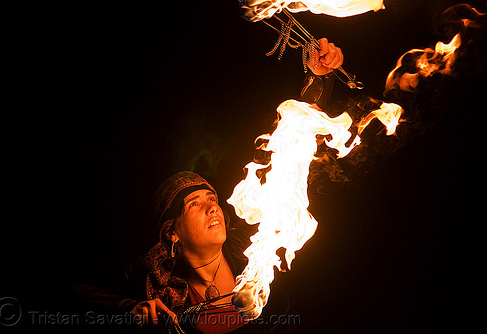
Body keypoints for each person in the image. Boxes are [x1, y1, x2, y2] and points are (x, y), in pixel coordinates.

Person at [71, 38, 343, 333]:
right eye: (194, 203)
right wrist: (127, 307)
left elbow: (296, 147)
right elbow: (69, 291)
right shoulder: (154, 285)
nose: (212, 205)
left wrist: (318, 76)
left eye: (211, 197)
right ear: (171, 232)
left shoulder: (253, 248)